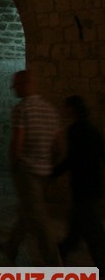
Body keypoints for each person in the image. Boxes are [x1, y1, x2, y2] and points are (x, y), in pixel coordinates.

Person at [0, 70, 62, 265]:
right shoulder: (50, 109)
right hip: (45, 170)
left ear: (25, 84)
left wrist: (14, 163)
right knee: (28, 210)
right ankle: (10, 247)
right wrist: (53, 168)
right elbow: (58, 144)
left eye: (15, 84)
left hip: (28, 171)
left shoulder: (21, 109)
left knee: (39, 219)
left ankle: (54, 263)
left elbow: (18, 140)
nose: (13, 88)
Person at [53, 95, 105, 268]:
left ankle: (100, 263)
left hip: (83, 186)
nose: (63, 110)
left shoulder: (75, 130)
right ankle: (62, 250)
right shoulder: (92, 129)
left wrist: (53, 173)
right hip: (92, 185)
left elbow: (72, 159)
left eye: (65, 107)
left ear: (72, 109)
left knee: (91, 230)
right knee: (81, 226)